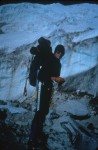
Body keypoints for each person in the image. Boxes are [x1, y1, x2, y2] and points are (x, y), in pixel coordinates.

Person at [28, 38, 65, 150]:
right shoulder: (49, 59)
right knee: (39, 112)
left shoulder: (57, 63)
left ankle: (38, 134)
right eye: (58, 51)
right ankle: (31, 140)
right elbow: (41, 76)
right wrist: (55, 78)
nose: (59, 53)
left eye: (61, 52)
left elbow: (53, 76)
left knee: (43, 112)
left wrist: (58, 81)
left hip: (48, 89)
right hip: (41, 87)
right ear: (55, 51)